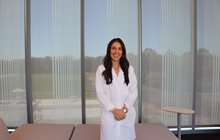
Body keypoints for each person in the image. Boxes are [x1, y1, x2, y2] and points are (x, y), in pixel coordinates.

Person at [95, 38, 138, 140]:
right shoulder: (101, 69)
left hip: (126, 115)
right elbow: (100, 93)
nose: (116, 52)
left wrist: (124, 109)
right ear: (109, 50)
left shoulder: (129, 69)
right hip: (110, 116)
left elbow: (133, 91)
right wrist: (114, 110)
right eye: (113, 48)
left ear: (123, 51)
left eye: (119, 49)